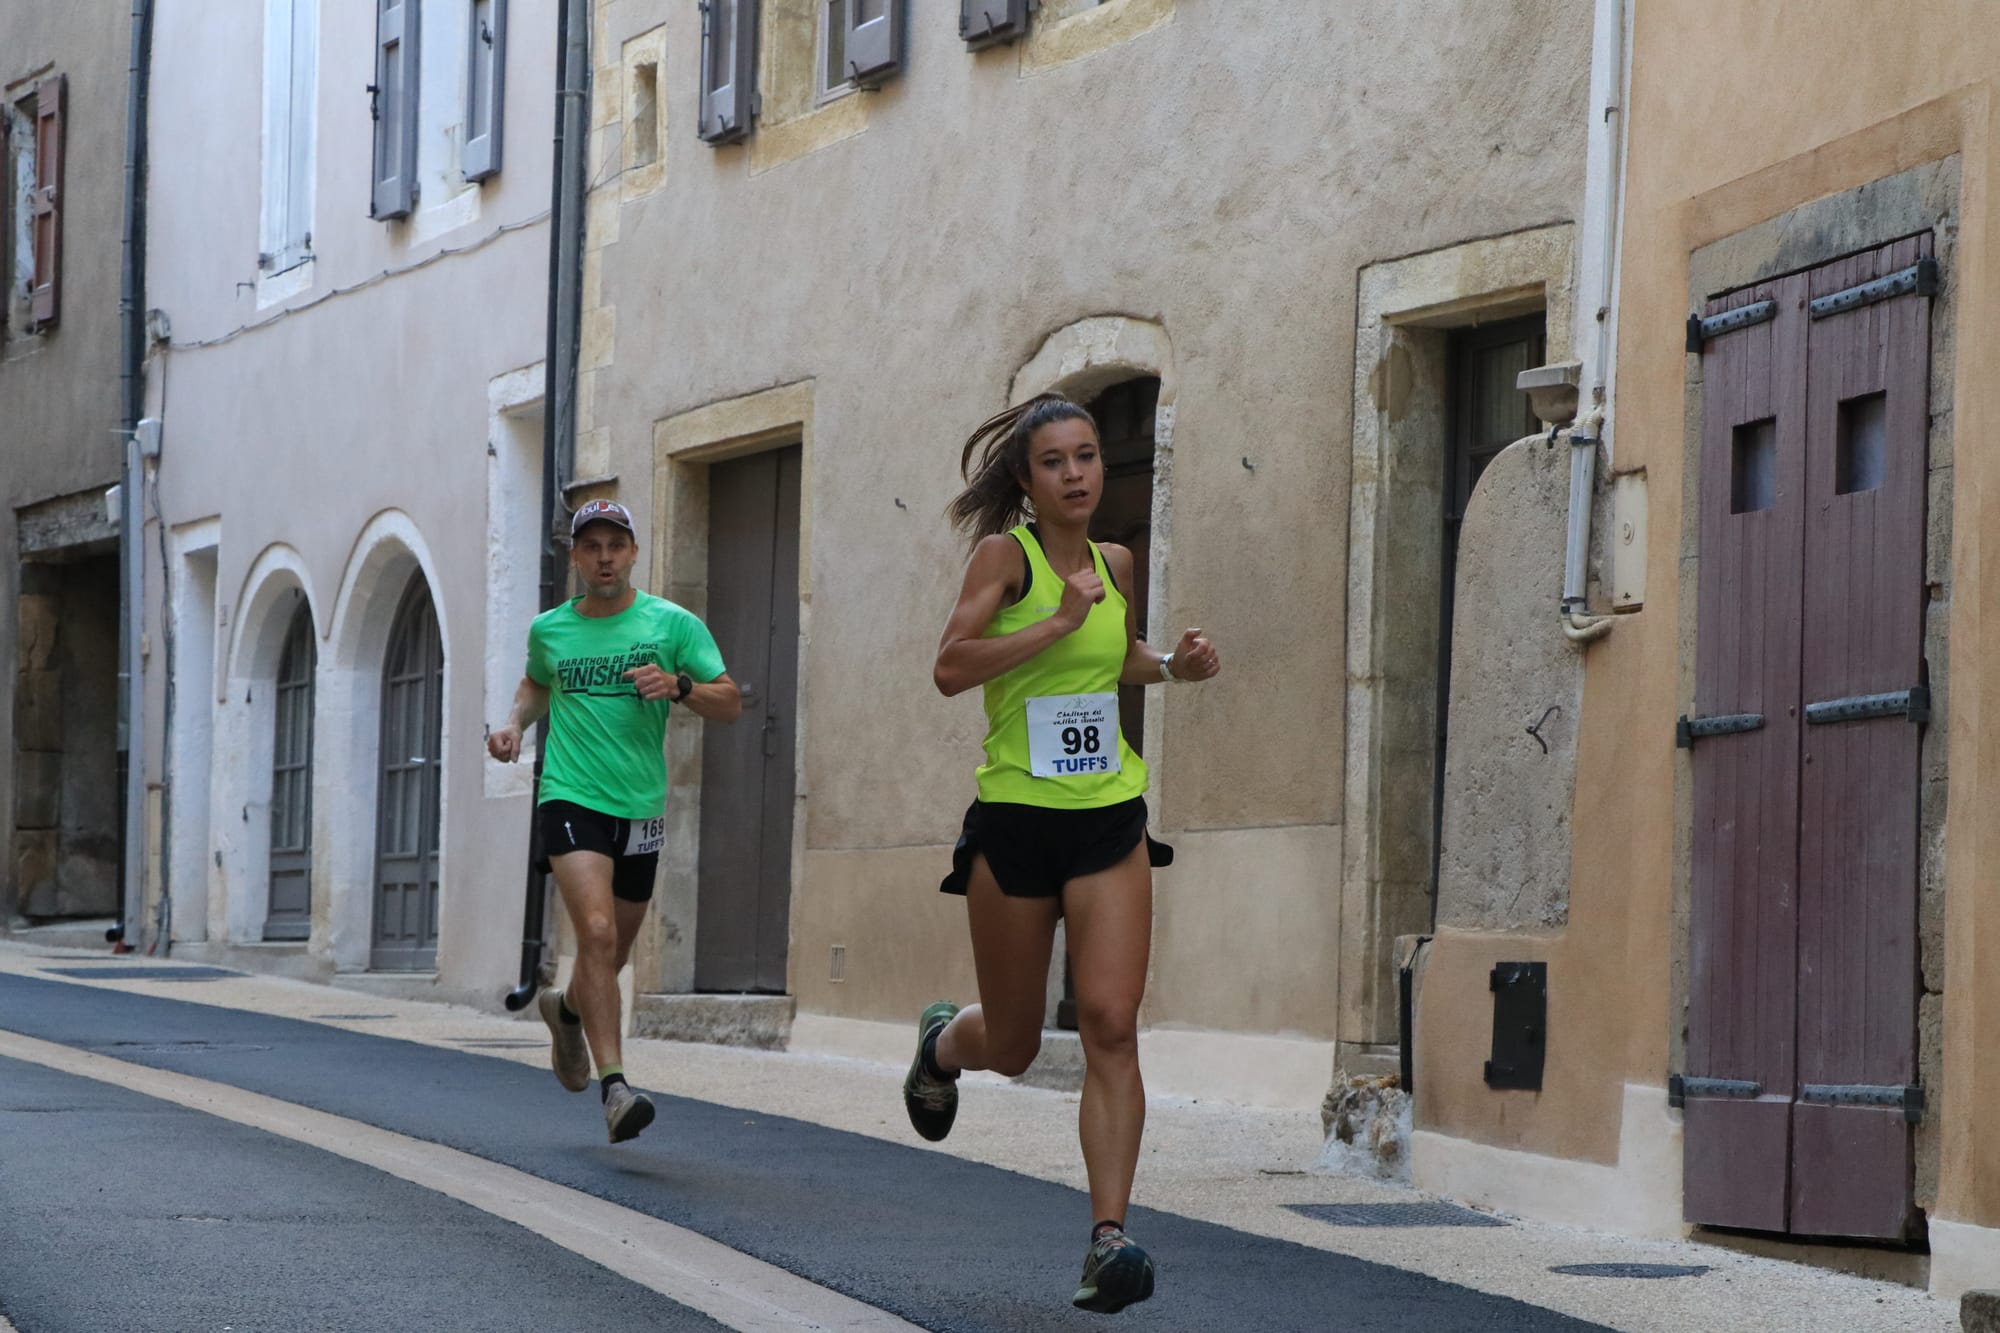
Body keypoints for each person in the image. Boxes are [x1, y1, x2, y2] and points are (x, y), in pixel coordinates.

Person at [906, 393, 1221, 1313]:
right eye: (1054, 461)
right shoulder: (1005, 559)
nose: (1076, 473)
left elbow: (1114, 658)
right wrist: (1050, 622)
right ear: (1026, 477)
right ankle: (942, 1044)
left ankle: (1109, 1238)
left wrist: (1173, 667)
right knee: (1010, 1045)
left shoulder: (1116, 561)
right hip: (1014, 822)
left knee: (1110, 1024)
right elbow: (950, 666)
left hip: (1107, 815)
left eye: (1087, 456)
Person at [488, 499, 742, 1143]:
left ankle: (566, 1010)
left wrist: (681, 687)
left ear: (633, 553)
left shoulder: (671, 624)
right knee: (596, 933)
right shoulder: (550, 629)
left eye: (615, 546)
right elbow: (536, 682)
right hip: (571, 797)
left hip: (640, 807)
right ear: (575, 556)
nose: (604, 558)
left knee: (612, 954)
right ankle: (616, 1088)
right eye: (592, 547)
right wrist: (513, 723)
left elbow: (730, 702)